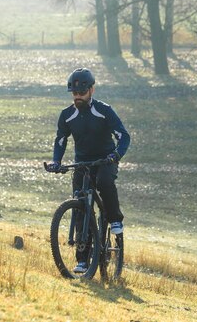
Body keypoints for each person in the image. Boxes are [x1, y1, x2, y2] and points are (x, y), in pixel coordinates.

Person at [46, 67, 130, 273]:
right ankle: (82, 259)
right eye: (74, 93)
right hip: (82, 163)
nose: (78, 97)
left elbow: (123, 136)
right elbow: (61, 139)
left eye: (82, 93)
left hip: (105, 160)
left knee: (104, 182)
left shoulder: (103, 110)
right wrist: (56, 161)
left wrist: (116, 155)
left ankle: (116, 219)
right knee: (80, 206)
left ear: (91, 90)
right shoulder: (67, 115)